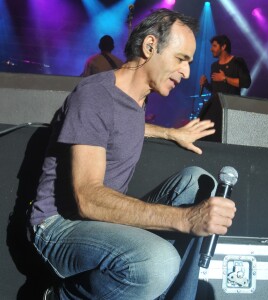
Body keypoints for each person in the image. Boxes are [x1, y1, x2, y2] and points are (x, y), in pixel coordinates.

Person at [28, 9, 236, 300]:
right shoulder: (95, 95)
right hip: (60, 226)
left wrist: (169, 133)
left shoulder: (135, 97)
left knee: (197, 182)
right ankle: (61, 296)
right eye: (181, 59)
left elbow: (119, 125)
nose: (188, 72)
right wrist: (185, 219)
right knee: (158, 262)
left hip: (100, 221)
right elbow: (87, 198)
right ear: (150, 47)